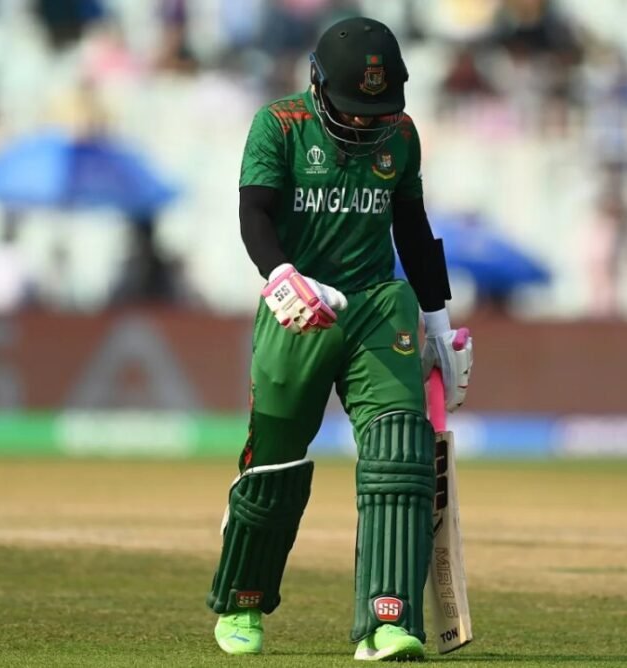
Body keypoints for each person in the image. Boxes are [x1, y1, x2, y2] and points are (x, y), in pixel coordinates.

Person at [206, 16, 474, 662]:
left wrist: (438, 322)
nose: (361, 122)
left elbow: (412, 226)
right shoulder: (280, 125)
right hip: (301, 304)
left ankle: (388, 619)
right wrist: (280, 275)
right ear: (317, 82)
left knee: (399, 453)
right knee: (274, 463)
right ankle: (242, 600)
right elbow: (254, 211)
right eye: (351, 107)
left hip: (377, 304)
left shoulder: (400, 135)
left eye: (374, 111)